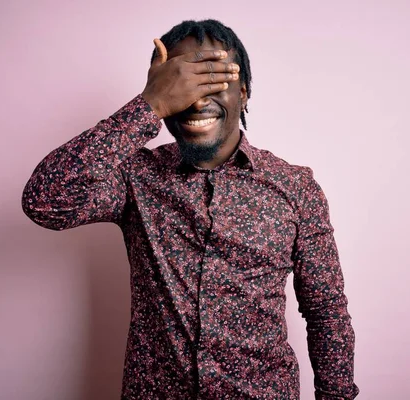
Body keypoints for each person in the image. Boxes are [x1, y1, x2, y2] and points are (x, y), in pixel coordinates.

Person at [22, 19, 359, 400]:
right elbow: (44, 201)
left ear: (244, 93)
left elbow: (326, 312)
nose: (197, 100)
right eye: (183, 84)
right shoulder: (135, 177)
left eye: (214, 80)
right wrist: (147, 106)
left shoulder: (296, 187)